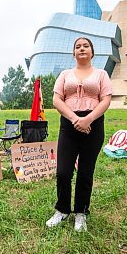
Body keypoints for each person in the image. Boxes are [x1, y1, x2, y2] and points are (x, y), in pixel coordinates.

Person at [46, 37, 112, 232]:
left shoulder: (101, 74)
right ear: (73, 53)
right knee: (63, 171)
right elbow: (57, 100)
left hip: (93, 125)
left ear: (92, 52)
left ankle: (81, 213)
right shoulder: (65, 74)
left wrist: (88, 119)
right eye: (77, 46)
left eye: (86, 46)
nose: (81, 49)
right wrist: (75, 119)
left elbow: (105, 100)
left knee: (85, 172)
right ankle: (62, 209)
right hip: (69, 124)